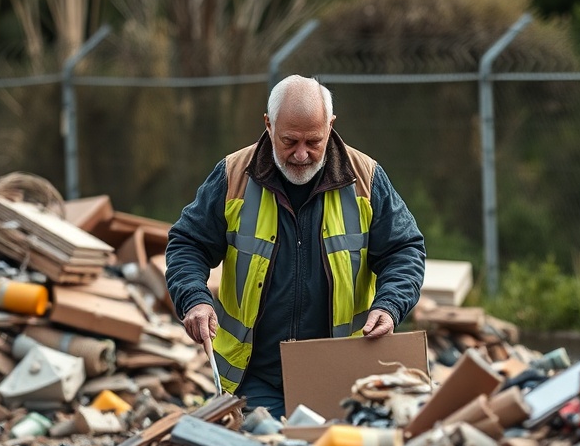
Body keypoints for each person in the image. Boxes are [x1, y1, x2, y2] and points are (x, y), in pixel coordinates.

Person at [165, 74, 426, 418]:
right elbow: (188, 243)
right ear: (268, 125)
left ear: (330, 126)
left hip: (342, 376)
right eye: (289, 141)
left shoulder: (366, 179)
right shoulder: (233, 176)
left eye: (313, 141)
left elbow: (404, 250)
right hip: (254, 377)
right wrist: (194, 299)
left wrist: (390, 305)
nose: (301, 154)